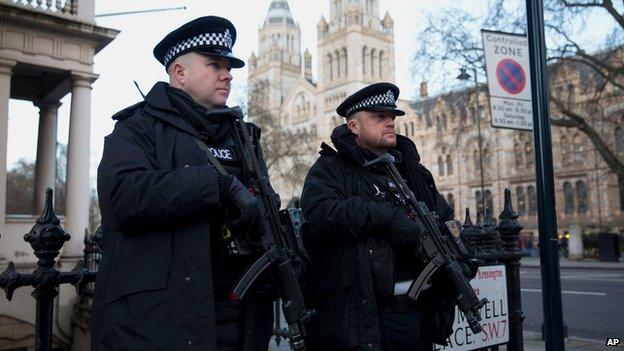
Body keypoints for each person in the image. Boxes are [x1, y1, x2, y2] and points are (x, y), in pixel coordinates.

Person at [91, 16, 274, 351]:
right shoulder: (137, 128)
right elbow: (121, 195)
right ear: (179, 72)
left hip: (240, 321)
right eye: (214, 64)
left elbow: (264, 205)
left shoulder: (244, 136)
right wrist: (216, 186)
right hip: (159, 327)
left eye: (229, 66)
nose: (227, 74)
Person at [300, 82, 456, 350]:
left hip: (416, 316)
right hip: (364, 319)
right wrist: (386, 215)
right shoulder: (331, 167)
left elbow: (443, 218)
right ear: (354, 127)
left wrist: (459, 253)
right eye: (379, 117)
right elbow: (319, 215)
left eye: (392, 117)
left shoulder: (412, 172)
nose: (390, 122)